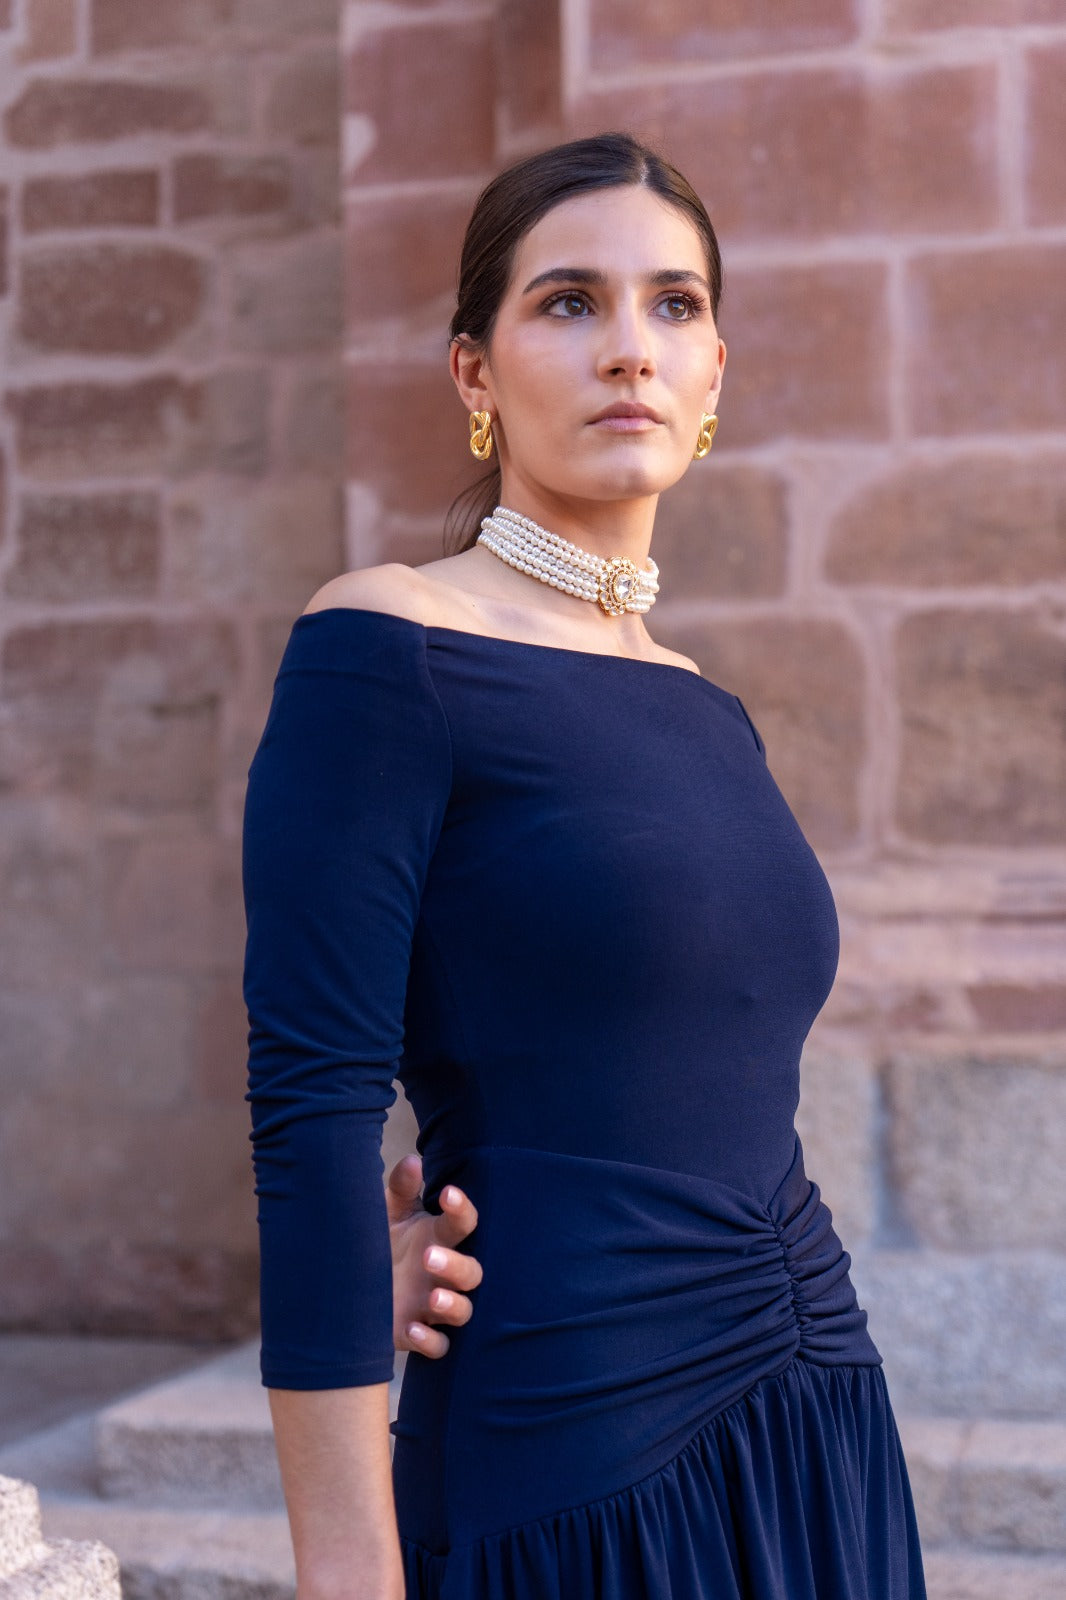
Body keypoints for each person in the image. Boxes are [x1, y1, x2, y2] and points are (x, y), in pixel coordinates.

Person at [242, 132, 927, 1600]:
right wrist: (347, 1569)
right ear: (473, 373)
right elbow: (310, 1110)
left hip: (813, 1414)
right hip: (571, 1446)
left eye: (674, 305)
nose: (630, 348)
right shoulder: (386, 644)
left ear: (715, 371)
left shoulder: (705, 704)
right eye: (568, 303)